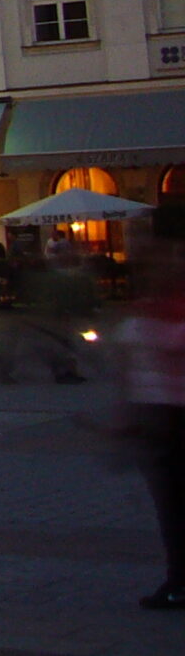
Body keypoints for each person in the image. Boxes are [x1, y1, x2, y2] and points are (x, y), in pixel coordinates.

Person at [118, 203, 185, 610]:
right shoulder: (150, 303)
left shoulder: (167, 305)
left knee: (176, 508)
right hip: (158, 417)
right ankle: (178, 577)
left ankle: (180, 580)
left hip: (173, 417)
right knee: (173, 507)